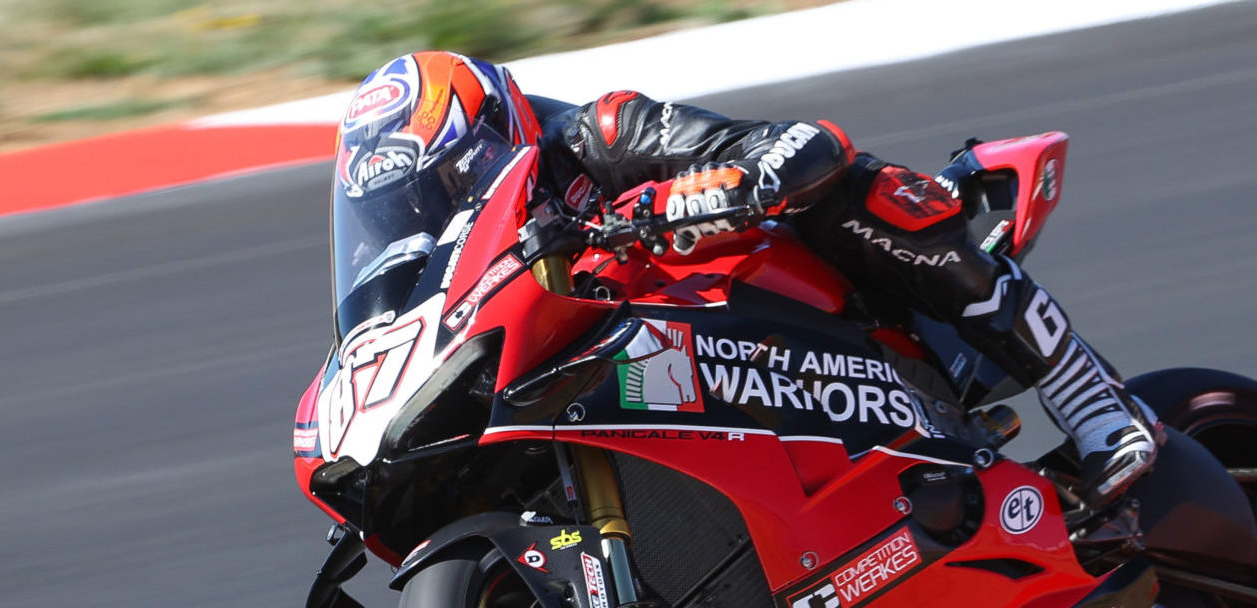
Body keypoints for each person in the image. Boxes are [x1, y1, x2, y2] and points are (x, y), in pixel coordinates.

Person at [337, 51, 1158, 506]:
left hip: (776, 294)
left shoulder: (601, 134)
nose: (440, 211)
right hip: (645, 376)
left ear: (493, 133)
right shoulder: (455, 264)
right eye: (411, 206)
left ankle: (1095, 404)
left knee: (846, 193)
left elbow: (802, 142)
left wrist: (737, 184)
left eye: (449, 181)